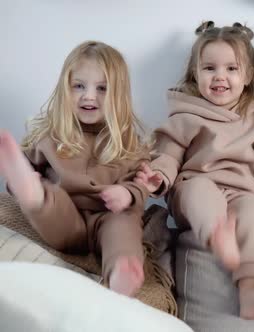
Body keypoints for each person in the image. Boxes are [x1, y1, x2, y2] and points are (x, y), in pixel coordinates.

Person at [134, 22, 254, 319]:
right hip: (194, 185)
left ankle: (251, 289)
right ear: (195, 73)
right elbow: (168, 155)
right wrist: (158, 176)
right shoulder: (186, 115)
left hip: (242, 194)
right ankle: (217, 236)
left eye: (231, 69)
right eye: (210, 68)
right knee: (201, 194)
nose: (220, 77)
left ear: (248, 76)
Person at [0, 41, 150, 296]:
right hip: (66, 215)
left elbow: (141, 184)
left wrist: (128, 193)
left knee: (124, 228)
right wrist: (25, 179)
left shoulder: (129, 143)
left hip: (108, 216)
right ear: (64, 89)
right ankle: (35, 196)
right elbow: (30, 163)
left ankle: (121, 273)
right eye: (79, 86)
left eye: (102, 88)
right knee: (50, 198)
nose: (89, 96)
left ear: (118, 95)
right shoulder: (52, 136)